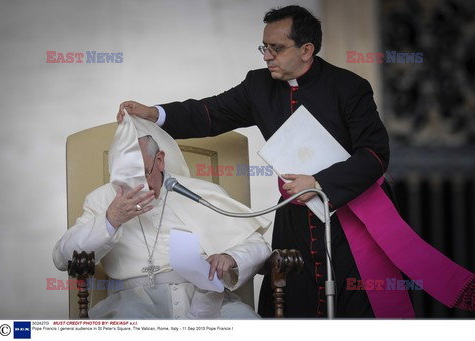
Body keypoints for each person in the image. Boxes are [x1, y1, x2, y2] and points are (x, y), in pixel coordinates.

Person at [116, 5, 475, 318]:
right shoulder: (258, 86)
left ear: (307, 49)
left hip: (349, 219)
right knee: (291, 304)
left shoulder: (349, 87)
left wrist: (319, 183)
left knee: (357, 306)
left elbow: (375, 154)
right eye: (264, 47)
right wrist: (154, 113)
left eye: (276, 48)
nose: (267, 56)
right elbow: (209, 113)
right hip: (294, 221)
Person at [53, 114, 271, 319]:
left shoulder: (201, 192)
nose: (136, 188)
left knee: (245, 322)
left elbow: (257, 244)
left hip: (206, 299)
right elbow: (62, 258)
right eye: (126, 179)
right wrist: (111, 219)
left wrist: (231, 256)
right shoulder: (100, 200)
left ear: (159, 160)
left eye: (143, 175)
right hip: (132, 304)